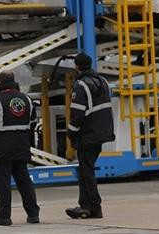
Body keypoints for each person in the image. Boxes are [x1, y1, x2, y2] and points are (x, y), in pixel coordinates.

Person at [0, 70, 40, 226]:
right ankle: (33, 214)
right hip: (21, 146)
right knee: (24, 180)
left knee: (3, 183)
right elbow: (32, 122)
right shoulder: (27, 99)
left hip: (2, 148)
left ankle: (4, 216)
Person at [65, 53, 115, 220]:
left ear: (77, 66)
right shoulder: (103, 81)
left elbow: (77, 114)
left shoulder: (81, 85)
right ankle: (85, 206)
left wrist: (71, 132)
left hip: (88, 134)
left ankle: (93, 206)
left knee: (86, 171)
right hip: (102, 133)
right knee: (86, 169)